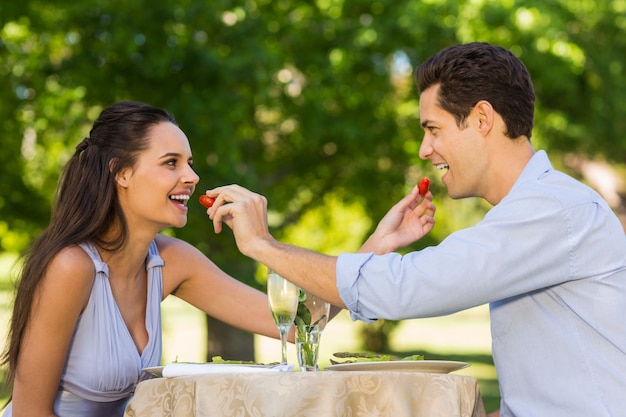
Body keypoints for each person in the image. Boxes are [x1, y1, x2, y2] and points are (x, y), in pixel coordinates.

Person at [202, 42, 626, 417]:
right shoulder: (534, 210)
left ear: (481, 119)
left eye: (433, 129)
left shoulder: (551, 210)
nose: (425, 150)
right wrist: (378, 248)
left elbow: (410, 288)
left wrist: (263, 244)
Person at [0, 101, 285, 417]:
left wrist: (263, 245)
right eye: (171, 163)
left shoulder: (171, 260)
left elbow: (296, 323)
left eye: (189, 163)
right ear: (121, 173)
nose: (192, 176)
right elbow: (30, 413)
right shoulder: (71, 267)